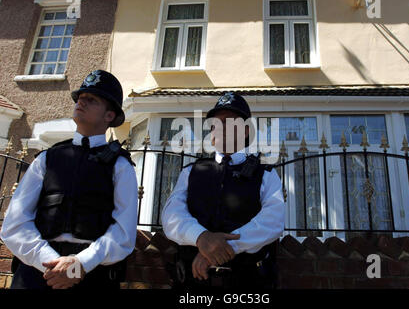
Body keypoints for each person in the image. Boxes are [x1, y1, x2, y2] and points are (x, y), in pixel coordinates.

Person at [0, 70, 138, 289]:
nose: (81, 102)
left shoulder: (120, 166)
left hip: (90, 277)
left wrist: (79, 264)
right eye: (80, 98)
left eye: (91, 100)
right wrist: (50, 263)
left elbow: (124, 233)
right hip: (37, 273)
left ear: (109, 116)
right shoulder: (47, 158)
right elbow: (14, 224)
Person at [162, 92, 285, 289]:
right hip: (193, 282)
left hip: (247, 283)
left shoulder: (266, 174)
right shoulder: (191, 172)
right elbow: (171, 217)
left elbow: (273, 222)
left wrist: (218, 250)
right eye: (214, 124)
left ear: (245, 131)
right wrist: (201, 238)